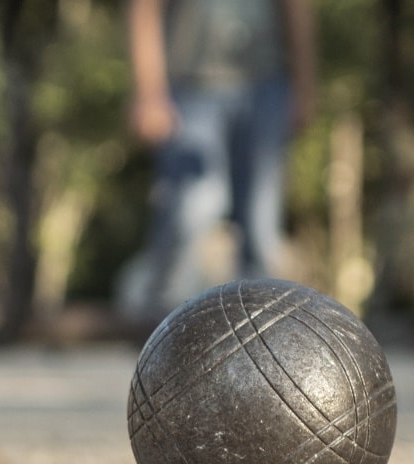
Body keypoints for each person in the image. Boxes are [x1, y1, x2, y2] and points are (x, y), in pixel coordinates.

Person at [124, 0, 316, 321]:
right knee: (191, 208)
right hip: (191, 87)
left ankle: (260, 334)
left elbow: (296, 7)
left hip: (266, 85)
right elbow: (144, 8)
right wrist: (148, 94)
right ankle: (157, 327)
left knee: (261, 224)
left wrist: (305, 84)